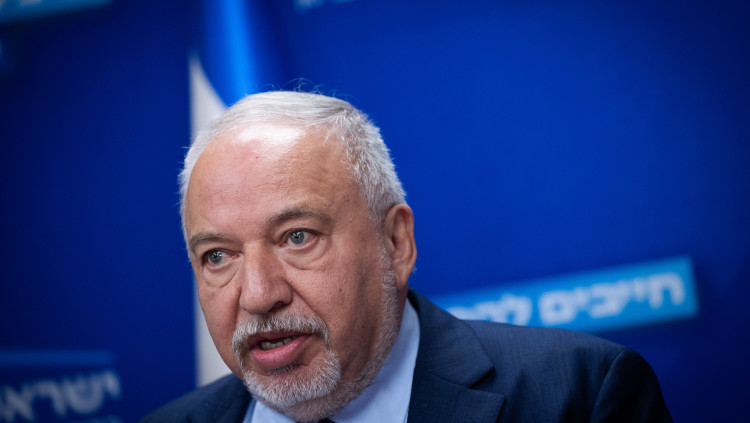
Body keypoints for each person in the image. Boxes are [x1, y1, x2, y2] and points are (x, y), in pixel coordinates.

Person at [142, 91, 672, 423]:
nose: (258, 295)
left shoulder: (580, 395)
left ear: (395, 243)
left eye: (297, 237)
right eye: (218, 255)